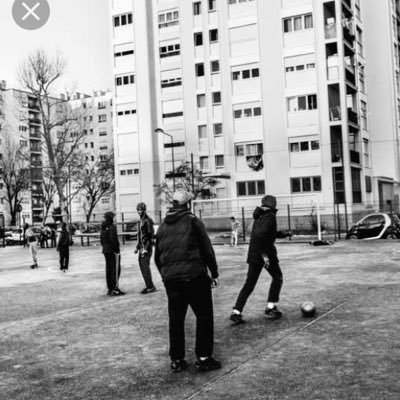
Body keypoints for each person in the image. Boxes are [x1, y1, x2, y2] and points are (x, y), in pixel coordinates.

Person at [155, 190, 221, 373]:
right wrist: (214, 273)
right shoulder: (193, 221)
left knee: (176, 319)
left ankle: (177, 359)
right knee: (204, 316)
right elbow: (207, 250)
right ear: (188, 204)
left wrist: (166, 276)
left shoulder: (162, 226)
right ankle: (203, 357)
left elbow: (157, 257)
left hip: (172, 281)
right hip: (194, 277)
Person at [230, 195, 283, 325]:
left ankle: (236, 312)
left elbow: (267, 232)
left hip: (254, 255)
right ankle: (271, 307)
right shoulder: (270, 216)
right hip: (264, 255)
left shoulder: (259, 215)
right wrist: (265, 256)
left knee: (249, 284)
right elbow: (261, 235)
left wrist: (284, 234)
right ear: (273, 204)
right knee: (277, 277)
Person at [100, 212, 124, 296]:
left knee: (108, 269)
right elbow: (113, 239)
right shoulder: (112, 227)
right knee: (116, 269)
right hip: (112, 250)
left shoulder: (103, 227)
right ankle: (115, 288)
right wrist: (117, 249)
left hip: (105, 250)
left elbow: (101, 240)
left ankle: (110, 288)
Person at [135, 202, 156, 294]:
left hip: (146, 249)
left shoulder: (148, 220)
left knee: (145, 267)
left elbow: (149, 235)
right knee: (142, 267)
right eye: (138, 210)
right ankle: (149, 285)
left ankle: (150, 287)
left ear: (144, 210)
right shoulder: (141, 221)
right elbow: (140, 236)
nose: (139, 211)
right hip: (142, 248)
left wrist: (146, 249)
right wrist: (137, 247)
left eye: (141, 210)